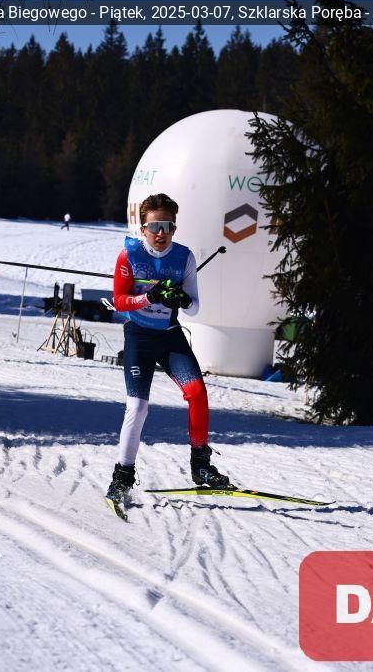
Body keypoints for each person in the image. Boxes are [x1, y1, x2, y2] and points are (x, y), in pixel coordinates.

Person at [105, 193, 230, 509]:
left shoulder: (184, 257)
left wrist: (182, 300)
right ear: (143, 228)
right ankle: (122, 476)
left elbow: (194, 306)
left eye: (168, 227)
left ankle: (201, 465)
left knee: (197, 393)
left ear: (175, 228)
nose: (161, 233)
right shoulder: (129, 256)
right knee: (138, 407)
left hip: (170, 336)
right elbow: (119, 302)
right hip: (139, 336)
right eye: (154, 227)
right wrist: (150, 297)